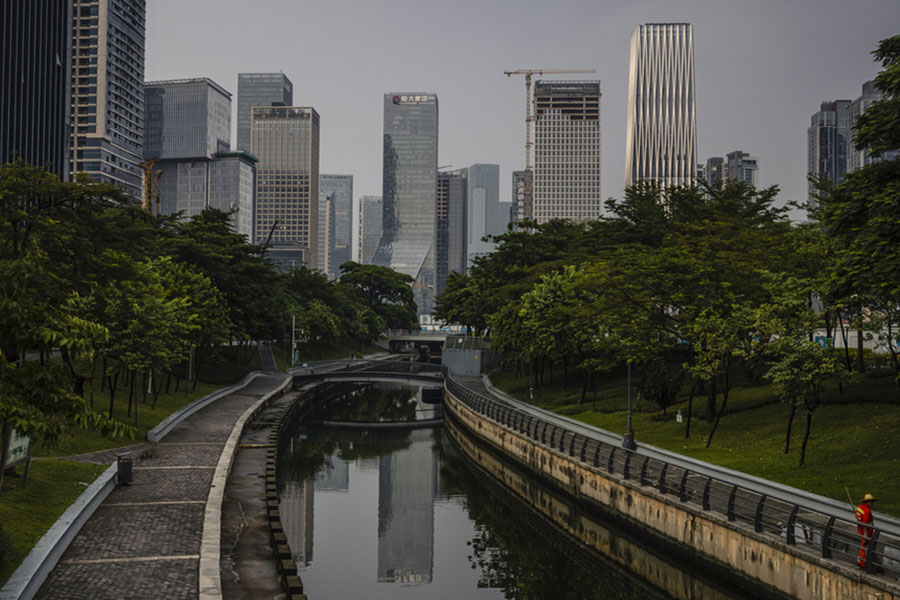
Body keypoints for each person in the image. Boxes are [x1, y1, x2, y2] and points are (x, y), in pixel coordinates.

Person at [855, 493, 877, 569]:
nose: (872, 503)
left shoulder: (859, 508)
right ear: (867, 502)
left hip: (861, 530)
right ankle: (862, 563)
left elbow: (858, 517)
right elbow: (865, 523)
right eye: (871, 502)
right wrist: (865, 533)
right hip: (867, 532)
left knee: (863, 545)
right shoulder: (867, 511)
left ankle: (862, 561)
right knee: (864, 546)